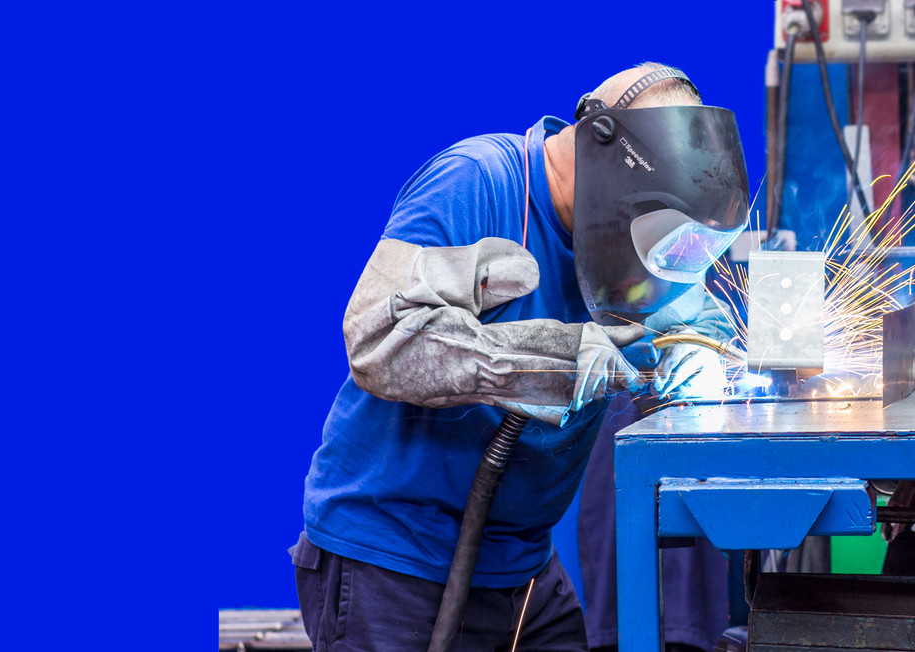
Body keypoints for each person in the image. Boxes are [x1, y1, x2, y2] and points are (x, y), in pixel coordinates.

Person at [292, 62, 749, 652]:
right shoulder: (477, 182)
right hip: (395, 560)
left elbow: (694, 307)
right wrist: (548, 361)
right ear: (604, 155)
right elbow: (379, 340)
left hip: (521, 565)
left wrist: (699, 350)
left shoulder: (642, 229)